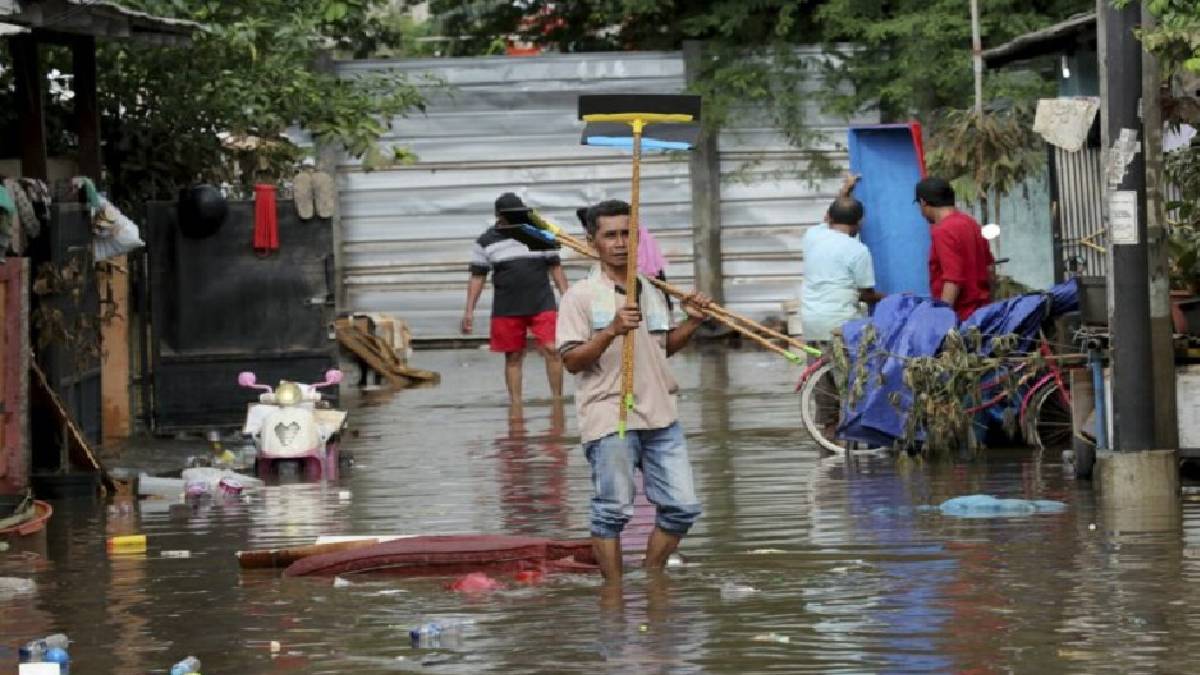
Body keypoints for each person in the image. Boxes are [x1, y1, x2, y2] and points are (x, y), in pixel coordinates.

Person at [557, 199, 710, 583]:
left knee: (682, 507)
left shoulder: (655, 289)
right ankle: (613, 591)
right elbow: (572, 361)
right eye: (611, 235)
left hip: (661, 414)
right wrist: (610, 330)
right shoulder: (580, 296)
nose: (621, 243)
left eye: (628, 234)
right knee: (612, 511)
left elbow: (662, 349)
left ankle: (652, 575)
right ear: (593, 242)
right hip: (611, 416)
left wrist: (693, 323)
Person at [462, 192, 569, 418]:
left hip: (542, 302)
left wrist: (567, 297)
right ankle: (516, 408)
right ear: (499, 216)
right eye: (511, 215)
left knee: (552, 349)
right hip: (507, 307)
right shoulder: (486, 241)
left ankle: (557, 402)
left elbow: (556, 268)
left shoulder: (539, 234)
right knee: (513, 357)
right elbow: (477, 277)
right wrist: (469, 311)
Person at [800, 174, 883, 348]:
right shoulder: (858, 250)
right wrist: (891, 297)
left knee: (817, 370)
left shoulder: (813, 235)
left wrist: (845, 190)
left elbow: (831, 213)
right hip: (842, 325)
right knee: (846, 373)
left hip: (811, 322)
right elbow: (865, 294)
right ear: (859, 223)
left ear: (830, 218)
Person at [915, 177, 994, 321]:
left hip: (961, 318)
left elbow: (953, 280)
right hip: (984, 314)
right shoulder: (972, 223)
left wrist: (941, 322)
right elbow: (990, 268)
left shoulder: (943, 230)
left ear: (923, 203)